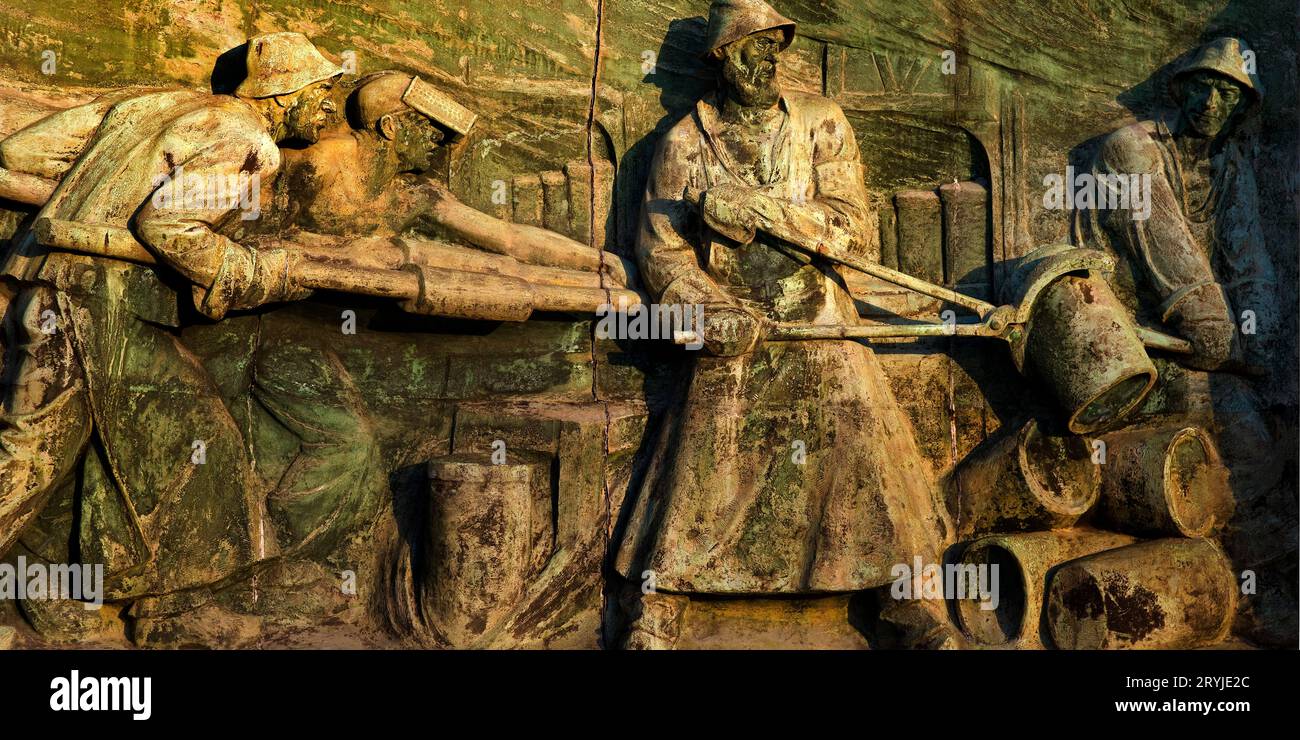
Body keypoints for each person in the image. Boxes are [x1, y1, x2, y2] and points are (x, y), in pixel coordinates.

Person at [613, 0, 954, 648]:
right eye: (748, 48)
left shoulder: (821, 123)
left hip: (817, 315)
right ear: (720, 58)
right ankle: (658, 610)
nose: (764, 61)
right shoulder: (685, 143)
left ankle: (907, 605)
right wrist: (706, 309)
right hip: (731, 321)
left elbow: (855, 232)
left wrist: (763, 212)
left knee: (854, 420)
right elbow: (659, 252)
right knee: (703, 439)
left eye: (773, 47)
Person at [0, 32, 342, 640]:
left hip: (58, 287)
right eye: (320, 92)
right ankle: (164, 601)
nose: (328, 107)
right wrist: (253, 274)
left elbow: (22, 150)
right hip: (100, 302)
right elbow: (170, 224)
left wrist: (102, 190)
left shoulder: (153, 108)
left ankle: (140, 591)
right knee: (29, 460)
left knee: (170, 435)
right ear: (283, 95)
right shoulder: (250, 141)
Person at [1073, 37, 1291, 645]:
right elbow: (1173, 263)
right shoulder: (1130, 151)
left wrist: (1265, 340)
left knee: (1257, 430)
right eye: (1206, 87)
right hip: (1127, 337)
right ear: (1182, 86)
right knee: (1220, 433)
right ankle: (1219, 589)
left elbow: (1250, 265)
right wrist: (1219, 331)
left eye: (1229, 95)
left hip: (1201, 344)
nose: (1213, 104)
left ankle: (1253, 583)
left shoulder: (1229, 165)